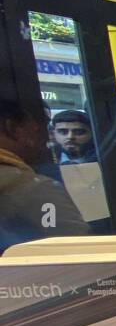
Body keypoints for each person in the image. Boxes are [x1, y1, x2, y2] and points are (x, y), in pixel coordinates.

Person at [0, 100, 89, 250]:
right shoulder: (33, 188)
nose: (41, 141)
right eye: (36, 132)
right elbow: (77, 251)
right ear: (13, 129)